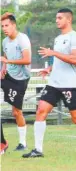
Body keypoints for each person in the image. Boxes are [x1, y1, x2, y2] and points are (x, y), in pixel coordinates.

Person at [23, 8, 76, 158]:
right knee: (41, 111)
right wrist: (50, 68)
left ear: (69, 20)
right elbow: (60, 61)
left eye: (60, 18)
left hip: (69, 84)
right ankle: (38, 150)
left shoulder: (75, 38)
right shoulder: (57, 38)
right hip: (54, 83)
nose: (57, 20)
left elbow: (74, 59)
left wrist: (53, 53)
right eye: (56, 18)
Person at [1, 12, 31, 151]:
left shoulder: (22, 39)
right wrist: (3, 68)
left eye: (6, 25)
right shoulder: (5, 41)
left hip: (21, 79)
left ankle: (22, 143)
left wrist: (8, 61)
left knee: (16, 112)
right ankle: (2, 143)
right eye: (2, 26)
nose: (4, 28)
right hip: (8, 76)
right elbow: (6, 55)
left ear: (14, 25)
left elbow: (27, 60)